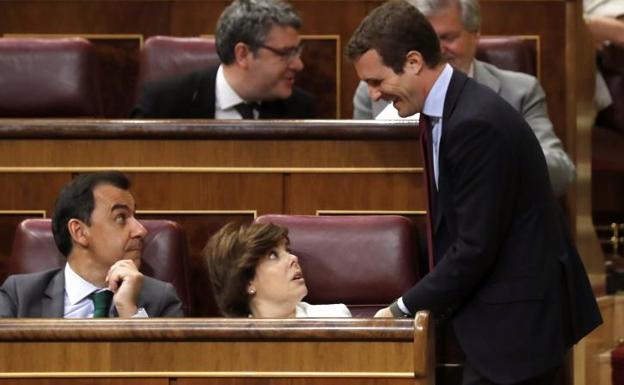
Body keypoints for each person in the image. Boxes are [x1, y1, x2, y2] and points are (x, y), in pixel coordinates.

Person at [346, 1, 602, 384]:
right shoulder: (452, 108)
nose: (374, 95)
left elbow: (475, 246)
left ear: (414, 62)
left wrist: (401, 307)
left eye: (377, 81)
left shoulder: (474, 124)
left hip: (516, 325)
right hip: (497, 316)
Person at [352, 0, 575, 198]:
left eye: (447, 37)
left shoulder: (519, 91)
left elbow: (561, 170)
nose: (436, 50)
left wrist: (485, 165)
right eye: (425, 40)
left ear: (476, 32)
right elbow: (358, 173)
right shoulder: (374, 92)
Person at [0, 171, 183, 318]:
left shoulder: (161, 300)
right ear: (79, 232)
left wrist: (130, 312)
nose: (141, 230)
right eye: (120, 217)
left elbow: (164, 363)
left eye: (134, 216)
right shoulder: (19, 296)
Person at [131, 0, 315, 119]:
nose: (299, 64)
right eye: (285, 53)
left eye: (297, 52)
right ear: (242, 55)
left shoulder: (300, 109)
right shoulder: (163, 104)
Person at [203, 222, 351, 318]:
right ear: (248, 283)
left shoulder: (335, 318)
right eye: (273, 255)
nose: (293, 258)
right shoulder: (231, 344)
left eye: (287, 250)